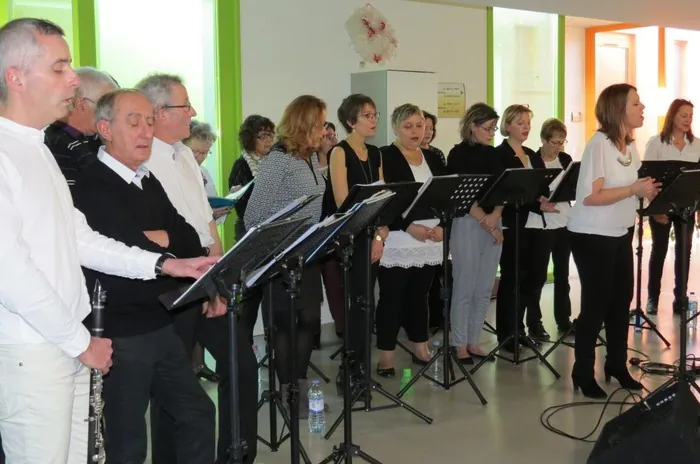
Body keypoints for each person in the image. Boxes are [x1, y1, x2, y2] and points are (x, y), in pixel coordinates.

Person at [0, 18, 215, 463]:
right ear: (15, 77)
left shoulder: (36, 147)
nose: (74, 80)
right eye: (59, 68)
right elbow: (11, 274)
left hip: (67, 341)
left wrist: (164, 265)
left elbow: (80, 238)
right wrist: (80, 343)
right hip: (33, 350)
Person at [71, 88, 218, 463]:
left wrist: (154, 239)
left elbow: (188, 236)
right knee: (127, 440)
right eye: (133, 122)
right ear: (104, 127)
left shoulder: (146, 178)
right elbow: (124, 251)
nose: (145, 132)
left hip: (158, 321)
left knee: (198, 413)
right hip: (121, 329)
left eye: (150, 122)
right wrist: (158, 242)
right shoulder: (94, 183)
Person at [136, 73, 258, 464]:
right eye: (183, 105)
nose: (192, 112)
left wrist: (216, 284)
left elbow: (208, 225)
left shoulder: (185, 154)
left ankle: (236, 455)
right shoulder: (143, 158)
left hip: (206, 279)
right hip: (170, 286)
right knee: (173, 385)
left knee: (241, 362)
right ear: (158, 112)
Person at [568, 83, 659, 399]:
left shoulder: (630, 147)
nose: (642, 107)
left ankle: (616, 365)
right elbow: (592, 197)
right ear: (619, 109)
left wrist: (645, 190)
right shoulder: (599, 145)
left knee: (621, 303)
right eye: (636, 103)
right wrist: (633, 190)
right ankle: (582, 371)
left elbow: (631, 187)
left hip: (620, 232)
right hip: (592, 235)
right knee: (595, 305)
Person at [244, 94, 327, 418]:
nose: (323, 130)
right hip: (280, 256)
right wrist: (283, 239)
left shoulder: (309, 157)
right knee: (283, 325)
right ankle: (287, 391)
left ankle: (299, 387)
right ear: (305, 124)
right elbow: (254, 215)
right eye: (319, 123)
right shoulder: (279, 158)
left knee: (308, 320)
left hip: (307, 253)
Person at [377, 104, 446, 375]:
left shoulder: (433, 158)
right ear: (395, 128)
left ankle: (421, 346)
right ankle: (386, 355)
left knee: (421, 295)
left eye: (419, 125)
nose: (415, 131)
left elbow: (444, 194)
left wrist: (442, 225)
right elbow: (384, 200)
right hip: (399, 238)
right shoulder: (386, 156)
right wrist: (407, 227)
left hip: (430, 238)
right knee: (392, 298)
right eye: (408, 126)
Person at [326, 93, 388, 395]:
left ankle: (363, 367)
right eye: (367, 115)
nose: (373, 120)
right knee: (357, 304)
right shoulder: (339, 152)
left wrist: (379, 236)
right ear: (351, 121)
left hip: (371, 235)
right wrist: (367, 234)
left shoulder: (376, 153)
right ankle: (349, 371)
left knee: (369, 304)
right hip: (350, 237)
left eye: (375, 114)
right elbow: (342, 202)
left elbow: (382, 198)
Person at [494, 104, 557, 351]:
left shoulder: (533, 153)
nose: (526, 127)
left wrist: (543, 201)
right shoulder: (499, 155)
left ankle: (519, 330)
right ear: (507, 125)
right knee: (512, 278)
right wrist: (535, 202)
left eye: (528, 123)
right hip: (513, 223)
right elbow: (504, 191)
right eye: (520, 123)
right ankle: (506, 334)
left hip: (535, 224)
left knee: (531, 277)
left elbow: (541, 186)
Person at [447, 103, 504, 363]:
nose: (492, 133)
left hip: (493, 222)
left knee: (484, 287)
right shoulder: (458, 154)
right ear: (472, 126)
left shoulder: (494, 154)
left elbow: (505, 187)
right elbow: (459, 194)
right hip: (468, 222)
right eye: (488, 128)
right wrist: (485, 219)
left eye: (494, 128)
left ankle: (473, 340)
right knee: (465, 286)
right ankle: (458, 343)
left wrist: (495, 218)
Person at [644, 99, 700, 315]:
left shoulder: (696, 144)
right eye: (683, 115)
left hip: (687, 206)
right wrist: (655, 208)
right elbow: (648, 176)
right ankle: (652, 298)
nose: (687, 120)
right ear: (672, 116)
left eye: (690, 116)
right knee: (659, 251)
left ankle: (680, 298)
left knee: (684, 252)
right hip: (661, 205)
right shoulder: (656, 142)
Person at [524, 118, 574, 336]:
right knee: (538, 276)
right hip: (540, 225)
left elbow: (571, 186)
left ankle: (564, 320)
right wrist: (541, 201)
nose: (558, 147)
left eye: (561, 142)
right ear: (543, 140)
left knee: (563, 274)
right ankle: (534, 323)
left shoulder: (566, 159)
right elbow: (528, 192)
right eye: (554, 142)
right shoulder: (531, 160)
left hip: (563, 222)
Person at [183, 120, 222, 382]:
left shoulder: (204, 173)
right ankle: (189, 368)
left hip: (208, 247)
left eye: (205, 152)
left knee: (203, 315)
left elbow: (212, 218)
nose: (200, 157)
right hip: (187, 254)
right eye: (196, 151)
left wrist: (219, 212)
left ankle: (199, 364)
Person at [44, 66, 118, 186]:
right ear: (81, 105)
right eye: (105, 106)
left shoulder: (96, 139)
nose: (112, 114)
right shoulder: (58, 144)